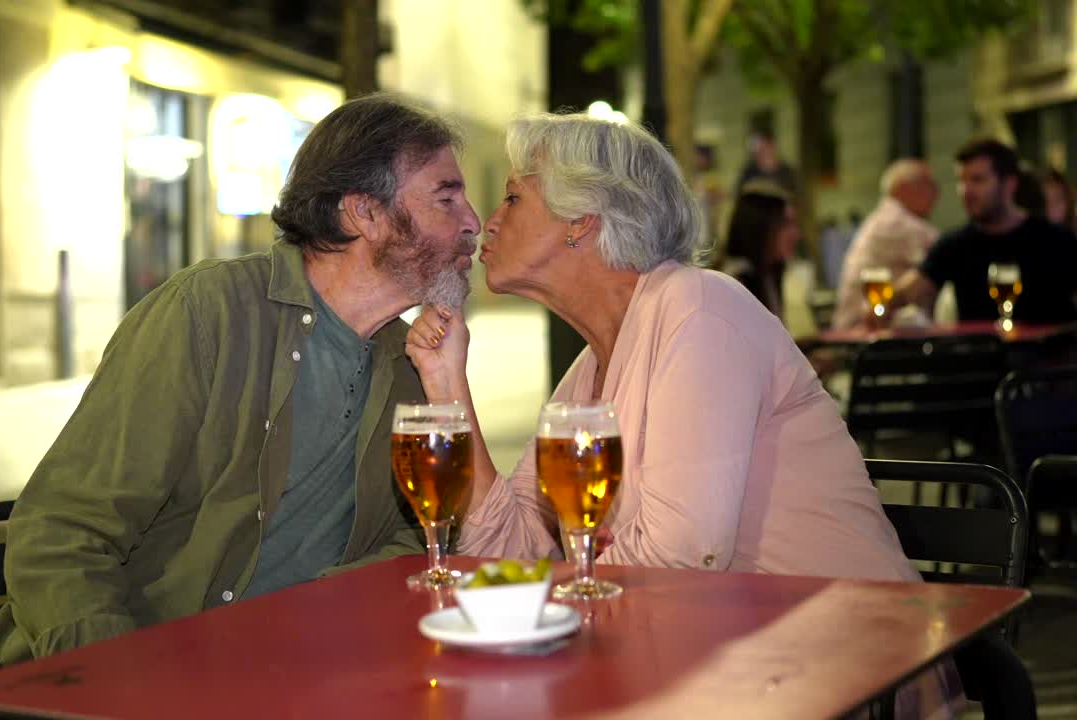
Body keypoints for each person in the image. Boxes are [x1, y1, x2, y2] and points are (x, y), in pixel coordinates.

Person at [404, 113, 959, 718]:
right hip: (707, 657)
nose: (489, 220)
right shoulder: (590, 370)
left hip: (839, 665)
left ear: (582, 219)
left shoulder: (700, 309)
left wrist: (552, 587)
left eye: (513, 196)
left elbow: (680, 560)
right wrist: (447, 384)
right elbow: (507, 558)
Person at [0, 94, 482, 664]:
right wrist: (114, 679)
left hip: (293, 675)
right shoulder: (208, 313)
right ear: (362, 213)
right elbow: (63, 531)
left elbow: (419, 537)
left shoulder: (409, 360)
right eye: (447, 198)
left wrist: (320, 613)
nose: (474, 223)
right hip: (141, 671)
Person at [892, 139, 1077, 324]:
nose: (966, 190)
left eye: (977, 180)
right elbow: (909, 291)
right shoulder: (955, 245)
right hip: (981, 351)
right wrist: (881, 302)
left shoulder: (1054, 240)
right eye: (961, 180)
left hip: (1050, 350)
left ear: (1009, 184)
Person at [832, 159, 940, 329]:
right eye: (929, 185)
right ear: (906, 189)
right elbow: (948, 255)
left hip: (861, 326)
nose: (937, 194)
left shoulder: (881, 218)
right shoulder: (898, 222)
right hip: (863, 330)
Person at [719, 182, 800, 319]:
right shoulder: (736, 284)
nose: (797, 234)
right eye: (786, 224)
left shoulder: (768, 274)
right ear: (759, 227)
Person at [733, 128, 798, 198]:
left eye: (763, 147)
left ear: (772, 145)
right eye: (756, 150)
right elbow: (738, 197)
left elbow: (798, 201)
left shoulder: (789, 174)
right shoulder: (747, 174)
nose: (760, 153)